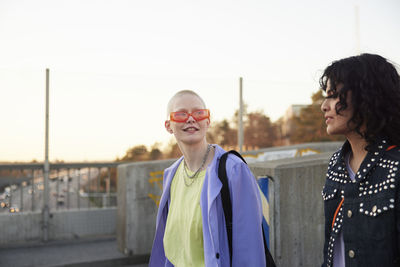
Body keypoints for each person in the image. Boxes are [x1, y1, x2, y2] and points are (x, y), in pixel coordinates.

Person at [149, 90, 266, 266]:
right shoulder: (171, 175)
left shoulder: (233, 170)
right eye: (181, 114)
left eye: (199, 113)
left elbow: (250, 251)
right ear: (168, 125)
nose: (191, 119)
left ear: (208, 121)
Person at [320, 53, 400, 267]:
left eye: (334, 95)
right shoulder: (336, 164)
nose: (324, 106)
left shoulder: (396, 166)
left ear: (367, 96)